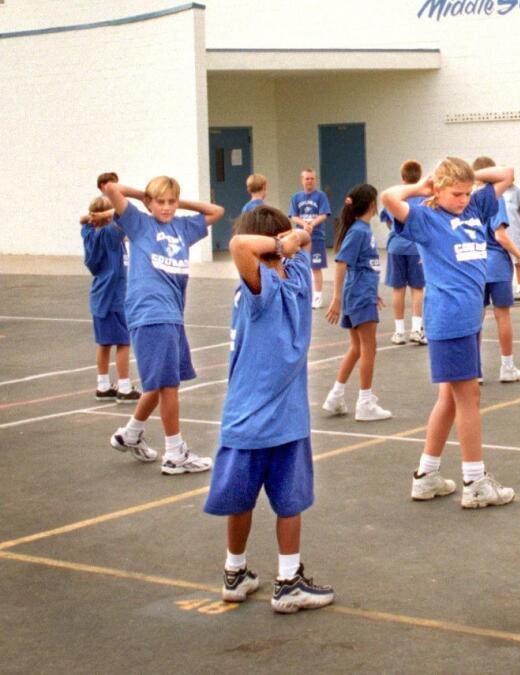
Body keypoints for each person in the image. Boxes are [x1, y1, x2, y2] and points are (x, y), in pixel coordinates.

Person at [203, 205, 334, 614]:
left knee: (259, 501)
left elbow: (270, 243)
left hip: (255, 418)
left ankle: (247, 573)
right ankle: (271, 578)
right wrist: (289, 241)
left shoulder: (278, 278)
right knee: (282, 502)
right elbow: (242, 245)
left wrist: (288, 242)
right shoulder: (270, 285)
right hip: (273, 419)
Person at [379, 158, 518, 508]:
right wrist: (421, 187)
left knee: (449, 399)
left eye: (467, 192)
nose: (463, 199)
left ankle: (426, 476)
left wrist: (468, 175)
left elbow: (506, 174)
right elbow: (388, 197)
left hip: (469, 319)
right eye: (456, 193)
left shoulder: (473, 208)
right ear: (438, 189)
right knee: (469, 399)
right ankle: (475, 481)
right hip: (449, 318)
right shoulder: (425, 218)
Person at [100, 173, 223, 472]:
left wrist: (179, 203)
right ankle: (175, 453)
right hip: (151, 313)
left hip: (172, 314)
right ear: (149, 203)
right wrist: (144, 196)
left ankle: (130, 434)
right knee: (168, 385)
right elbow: (111, 188)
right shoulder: (139, 223)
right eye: (160, 202)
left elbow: (216, 211)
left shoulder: (183, 227)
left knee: (158, 382)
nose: (166, 207)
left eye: (171, 202)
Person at [321, 184, 391, 422]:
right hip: (358, 295)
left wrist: (372, 292)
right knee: (369, 348)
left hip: (362, 293)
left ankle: (335, 396)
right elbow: (342, 263)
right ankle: (365, 402)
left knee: (357, 348)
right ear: (371, 204)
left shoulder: (362, 229)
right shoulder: (359, 231)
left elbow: (364, 266)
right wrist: (336, 298)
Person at [79, 194, 140, 405]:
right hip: (115, 297)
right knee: (123, 342)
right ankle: (124, 386)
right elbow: (125, 213)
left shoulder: (88, 234)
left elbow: (83, 221)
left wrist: (91, 217)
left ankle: (103, 385)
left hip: (99, 296)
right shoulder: (110, 234)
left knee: (104, 343)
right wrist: (108, 212)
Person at [473, 156, 520, 383]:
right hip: (495, 263)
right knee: (502, 315)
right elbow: (500, 235)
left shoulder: (467, 200)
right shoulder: (496, 199)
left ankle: (475, 369)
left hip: (475, 263)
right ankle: (507, 366)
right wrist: (519, 257)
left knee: (476, 318)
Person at [380, 160, 427, 346]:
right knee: (417, 288)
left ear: (402, 177)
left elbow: (387, 220)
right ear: (419, 176)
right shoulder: (423, 197)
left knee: (398, 288)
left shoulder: (395, 195)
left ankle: (399, 332)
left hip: (396, 246)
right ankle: (416, 329)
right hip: (416, 248)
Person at [289, 169, 332, 309]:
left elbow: (324, 214)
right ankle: (302, 294)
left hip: (316, 237)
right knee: (300, 265)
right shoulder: (296, 197)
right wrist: (304, 224)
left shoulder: (320, 196)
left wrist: (312, 224)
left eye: (312, 178)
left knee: (316, 267)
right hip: (300, 238)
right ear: (302, 180)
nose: (310, 181)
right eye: (307, 178)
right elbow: (293, 216)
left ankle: (317, 296)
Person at [502, 182, 520, 303]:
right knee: (501, 260)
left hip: (514, 230)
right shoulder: (495, 190)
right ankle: (504, 289)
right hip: (499, 231)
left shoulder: (518, 191)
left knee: (517, 259)